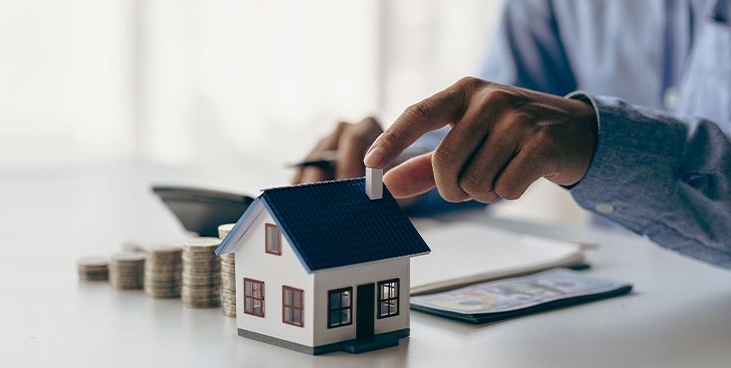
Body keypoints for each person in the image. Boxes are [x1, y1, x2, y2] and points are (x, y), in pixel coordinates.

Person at [293, 0, 731, 269]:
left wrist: (601, 142)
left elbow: (553, 129)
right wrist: (404, 165)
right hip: (622, 300)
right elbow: (513, 123)